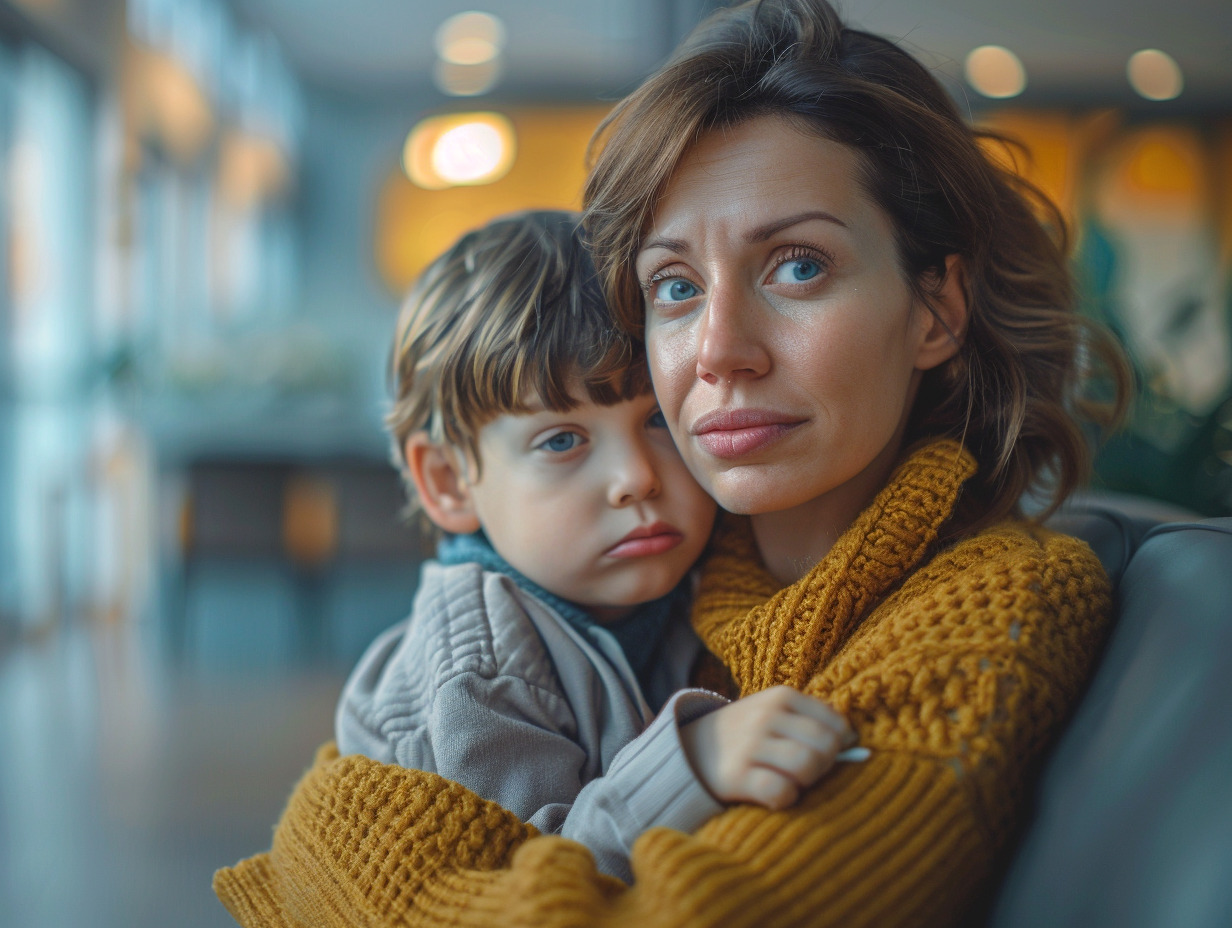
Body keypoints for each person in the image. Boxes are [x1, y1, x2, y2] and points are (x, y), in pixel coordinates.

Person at [214, 2, 1131, 926]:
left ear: (935, 308)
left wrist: (328, 837)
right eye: (677, 287)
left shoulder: (991, 605)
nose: (716, 351)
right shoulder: (667, 580)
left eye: (799, 265)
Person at [328, 208, 858, 884]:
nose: (636, 478)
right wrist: (692, 761)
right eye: (561, 441)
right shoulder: (479, 671)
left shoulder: (710, 574)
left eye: (659, 420)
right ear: (449, 481)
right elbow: (534, 885)